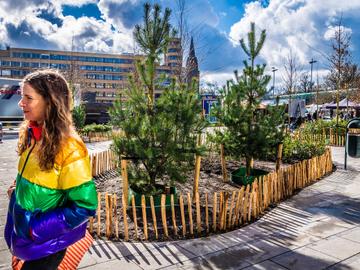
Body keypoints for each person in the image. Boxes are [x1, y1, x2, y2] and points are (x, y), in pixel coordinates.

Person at [4, 70, 98, 269]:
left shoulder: (70, 147)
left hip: (45, 246)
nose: (21, 103)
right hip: (25, 241)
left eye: (28, 98)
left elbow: (85, 206)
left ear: (50, 102)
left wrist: (35, 229)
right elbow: (35, 178)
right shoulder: (33, 134)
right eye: (22, 97)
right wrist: (18, 190)